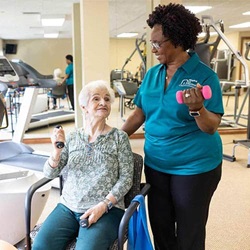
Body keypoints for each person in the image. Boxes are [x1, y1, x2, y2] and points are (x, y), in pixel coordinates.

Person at [122, 3, 224, 250]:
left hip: (194, 166)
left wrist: (198, 108)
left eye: (158, 43)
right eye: (152, 43)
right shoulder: (152, 74)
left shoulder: (204, 76)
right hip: (157, 162)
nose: (154, 49)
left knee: (190, 230)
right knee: (161, 225)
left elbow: (211, 126)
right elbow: (140, 112)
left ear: (178, 40)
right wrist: (113, 136)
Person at [32, 80, 134, 250]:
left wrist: (104, 205)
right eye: (96, 99)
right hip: (67, 207)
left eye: (107, 99)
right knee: (41, 246)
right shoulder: (72, 137)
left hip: (106, 210)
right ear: (84, 107)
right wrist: (57, 151)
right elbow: (49, 173)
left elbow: (126, 178)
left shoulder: (119, 138)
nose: (103, 102)